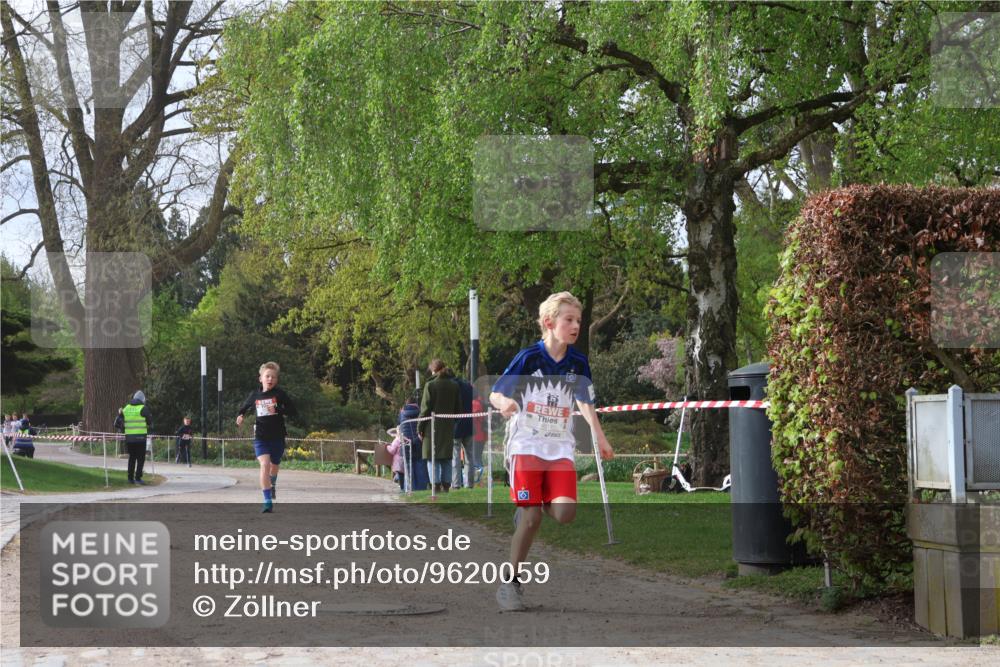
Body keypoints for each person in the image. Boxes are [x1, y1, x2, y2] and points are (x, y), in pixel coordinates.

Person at [490, 291, 614, 611]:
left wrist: (600, 437)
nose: (575, 326)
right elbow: (495, 394)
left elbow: (585, 401)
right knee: (531, 519)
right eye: (569, 320)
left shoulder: (578, 362)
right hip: (526, 444)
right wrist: (505, 403)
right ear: (549, 322)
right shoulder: (529, 357)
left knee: (564, 514)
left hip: (559, 447)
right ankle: (511, 583)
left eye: (578, 321)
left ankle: (530, 502)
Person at [236, 361, 297, 513]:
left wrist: (277, 408)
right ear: (260, 378)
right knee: (265, 465)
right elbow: (244, 408)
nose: (270, 379)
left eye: (273, 377)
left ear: (276, 380)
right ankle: (267, 501)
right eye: (267, 376)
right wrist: (240, 416)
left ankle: (272, 484)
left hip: (277, 436)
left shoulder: (279, 394)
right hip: (261, 437)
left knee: (274, 466)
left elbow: (293, 411)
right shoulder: (255, 395)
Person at [419, 359, 461, 493]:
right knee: (447, 457)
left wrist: (420, 427)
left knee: (433, 458)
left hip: (431, 426)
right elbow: (458, 409)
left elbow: (425, 409)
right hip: (448, 426)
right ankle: (447, 486)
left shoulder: (430, 385)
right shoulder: (454, 385)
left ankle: (435, 486)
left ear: (433, 370)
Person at [115, 391, 152, 485]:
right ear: (143, 400)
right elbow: (149, 422)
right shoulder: (143, 408)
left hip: (129, 438)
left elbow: (120, 421)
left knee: (132, 458)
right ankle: (138, 478)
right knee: (140, 458)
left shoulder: (126, 408)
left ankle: (130, 478)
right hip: (140, 438)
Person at [399, 390, 429, 491]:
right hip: (419, 443)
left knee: (408, 469)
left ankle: (409, 489)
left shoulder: (402, 414)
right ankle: (421, 490)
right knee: (420, 468)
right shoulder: (420, 412)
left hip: (406, 444)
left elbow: (399, 428)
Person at [451, 376, 475, 489]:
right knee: (469, 456)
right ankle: (469, 484)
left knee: (455, 456)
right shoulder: (469, 387)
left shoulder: (452, 387)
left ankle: (456, 484)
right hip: (469, 424)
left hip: (455, 426)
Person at [470, 394, 487, 487]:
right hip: (481, 435)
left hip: (476, 436)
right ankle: (480, 480)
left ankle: (478, 480)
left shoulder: (474, 404)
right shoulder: (480, 402)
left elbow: (472, 418)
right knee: (478, 458)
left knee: (475, 458)